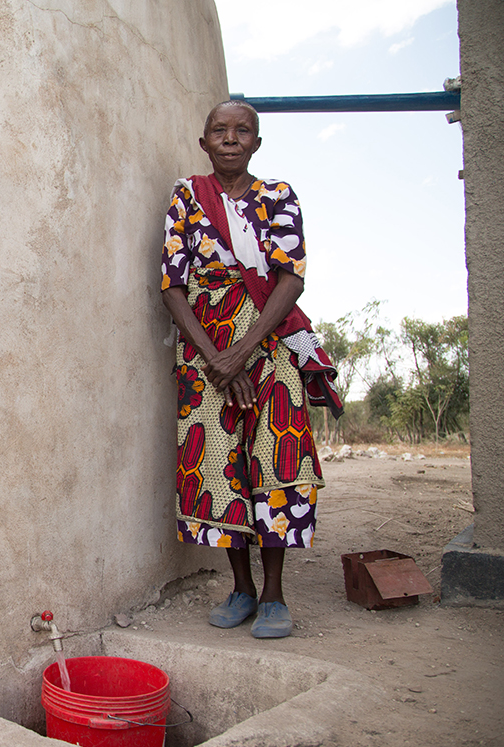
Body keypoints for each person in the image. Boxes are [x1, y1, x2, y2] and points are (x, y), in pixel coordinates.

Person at [159, 100, 343, 639]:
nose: (232, 138)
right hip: (202, 347)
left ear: (257, 144)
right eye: (221, 130)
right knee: (219, 465)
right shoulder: (187, 198)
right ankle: (239, 588)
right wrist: (216, 359)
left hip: (269, 341)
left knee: (275, 457)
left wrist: (242, 352)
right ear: (204, 142)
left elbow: (291, 279)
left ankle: (274, 596)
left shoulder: (278, 197)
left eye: (243, 131)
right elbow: (171, 285)